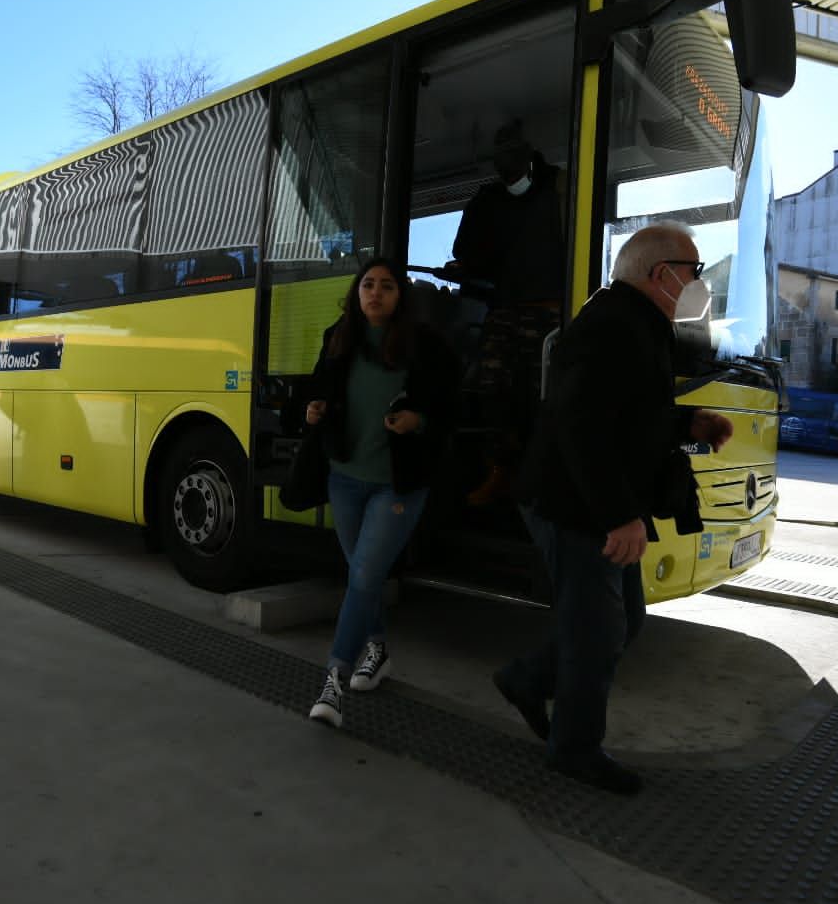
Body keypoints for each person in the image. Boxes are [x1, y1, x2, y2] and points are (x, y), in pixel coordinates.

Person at [493, 222, 733, 795]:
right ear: (662, 275)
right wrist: (617, 516)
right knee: (598, 631)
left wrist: (688, 424)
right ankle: (574, 748)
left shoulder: (637, 324)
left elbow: (629, 417)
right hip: (574, 503)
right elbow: (583, 429)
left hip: (588, 498)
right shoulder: (613, 327)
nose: (700, 282)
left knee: (624, 620)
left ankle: (526, 681)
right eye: (695, 270)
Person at [302, 257, 460, 728]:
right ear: (356, 293)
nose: (375, 293)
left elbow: (453, 409)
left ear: (400, 296)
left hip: (398, 483)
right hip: (345, 477)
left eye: (386, 286)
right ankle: (378, 650)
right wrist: (314, 410)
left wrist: (421, 422)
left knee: (365, 576)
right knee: (362, 576)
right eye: (367, 285)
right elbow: (318, 390)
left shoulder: (426, 347)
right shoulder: (340, 337)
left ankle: (333, 681)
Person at [447, 120, 567, 504]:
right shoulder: (486, 201)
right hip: (504, 308)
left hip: (552, 312)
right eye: (500, 157)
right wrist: (466, 269)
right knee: (491, 389)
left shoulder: (562, 189)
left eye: (514, 154)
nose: (506, 164)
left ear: (530, 153)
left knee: (542, 396)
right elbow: (466, 254)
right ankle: (501, 469)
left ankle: (539, 475)